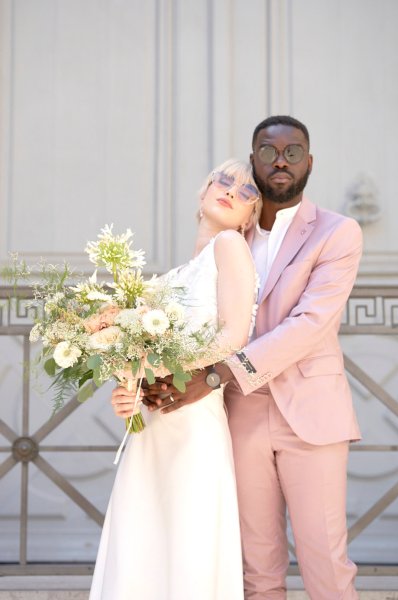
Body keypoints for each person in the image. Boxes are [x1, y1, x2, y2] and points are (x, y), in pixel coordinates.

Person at [143, 116, 363, 599]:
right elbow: (200, 319)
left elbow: (309, 324)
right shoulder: (231, 236)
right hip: (238, 415)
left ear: (309, 162)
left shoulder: (337, 232)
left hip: (310, 413)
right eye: (268, 151)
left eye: (292, 151)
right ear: (253, 159)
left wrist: (217, 374)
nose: (280, 160)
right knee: (256, 568)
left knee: (324, 560)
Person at [89, 159, 262, 600]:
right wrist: (127, 389)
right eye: (224, 181)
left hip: (195, 426)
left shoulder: (229, 245)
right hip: (153, 427)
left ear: (249, 219)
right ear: (203, 191)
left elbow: (233, 335)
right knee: (144, 543)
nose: (232, 192)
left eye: (246, 193)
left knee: (189, 542)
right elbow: (138, 351)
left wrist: (157, 369)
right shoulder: (169, 281)